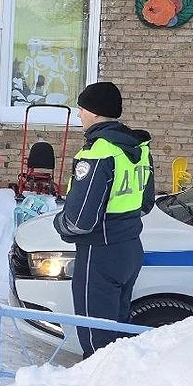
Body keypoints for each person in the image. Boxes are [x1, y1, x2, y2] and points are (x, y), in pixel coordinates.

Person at [53, 81, 154, 358]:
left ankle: (97, 385)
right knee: (118, 335)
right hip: (130, 248)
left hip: (99, 253)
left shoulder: (99, 152)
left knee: (96, 341)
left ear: (95, 112)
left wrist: (59, 224)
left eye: (81, 109)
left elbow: (80, 221)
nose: (79, 115)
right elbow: (145, 203)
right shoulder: (139, 149)